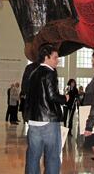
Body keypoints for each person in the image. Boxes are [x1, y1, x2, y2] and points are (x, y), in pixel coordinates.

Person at [25, 44, 68, 174]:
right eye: (55, 57)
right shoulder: (50, 73)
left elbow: (29, 97)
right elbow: (52, 96)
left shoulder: (33, 73)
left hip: (33, 121)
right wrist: (65, 98)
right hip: (49, 120)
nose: (57, 60)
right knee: (53, 157)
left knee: (33, 157)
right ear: (46, 57)